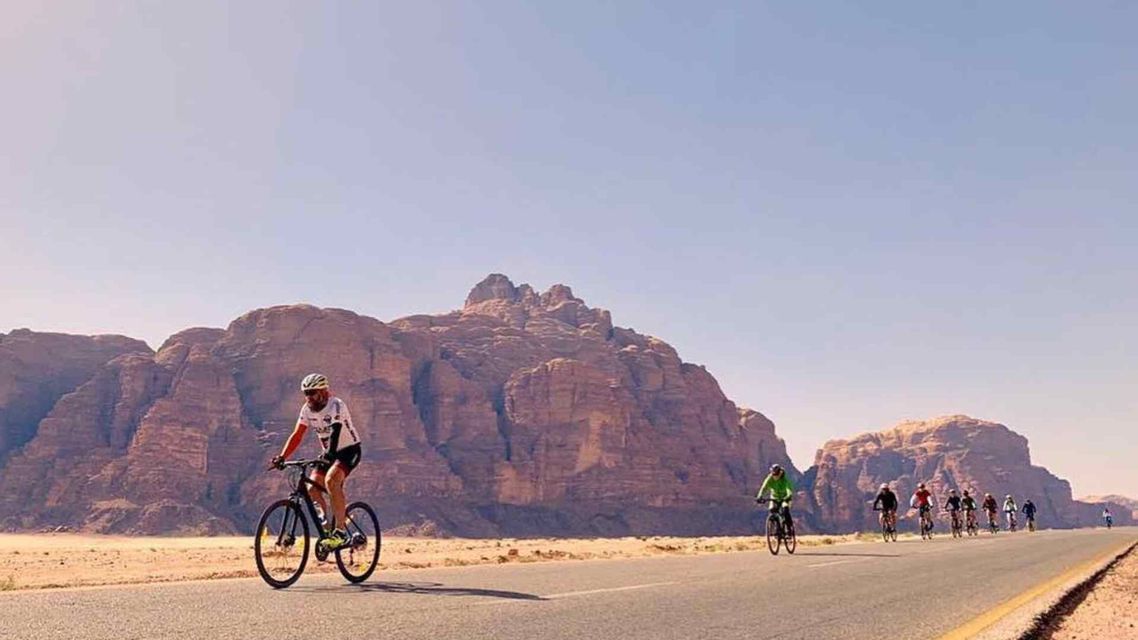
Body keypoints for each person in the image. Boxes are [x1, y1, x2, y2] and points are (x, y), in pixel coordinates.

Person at [271, 373, 363, 552]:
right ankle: (327, 526)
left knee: (331, 480)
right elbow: (297, 435)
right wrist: (282, 457)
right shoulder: (306, 409)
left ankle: (341, 532)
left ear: (323, 391)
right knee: (312, 488)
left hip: (349, 450)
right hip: (329, 452)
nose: (309, 397)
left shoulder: (336, 405)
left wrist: (329, 455)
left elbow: (335, 431)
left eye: (312, 392)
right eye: (306, 393)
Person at [756, 464, 795, 528]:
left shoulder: (785, 479)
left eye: (776, 474)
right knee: (772, 510)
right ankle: (777, 528)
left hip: (785, 498)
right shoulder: (769, 478)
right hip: (774, 497)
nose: (774, 476)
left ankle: (789, 527)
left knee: (785, 509)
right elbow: (764, 487)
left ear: (780, 473)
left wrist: (788, 496)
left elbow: (789, 489)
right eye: (773, 474)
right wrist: (760, 496)